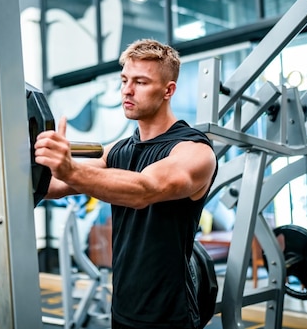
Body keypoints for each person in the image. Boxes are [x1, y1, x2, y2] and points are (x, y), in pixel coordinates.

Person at [34, 38, 218, 329]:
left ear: (168, 90)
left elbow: (145, 190)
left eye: (141, 82)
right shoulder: (118, 150)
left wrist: (69, 169)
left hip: (170, 315)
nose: (127, 90)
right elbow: (54, 187)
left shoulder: (194, 150)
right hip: (122, 308)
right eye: (124, 80)